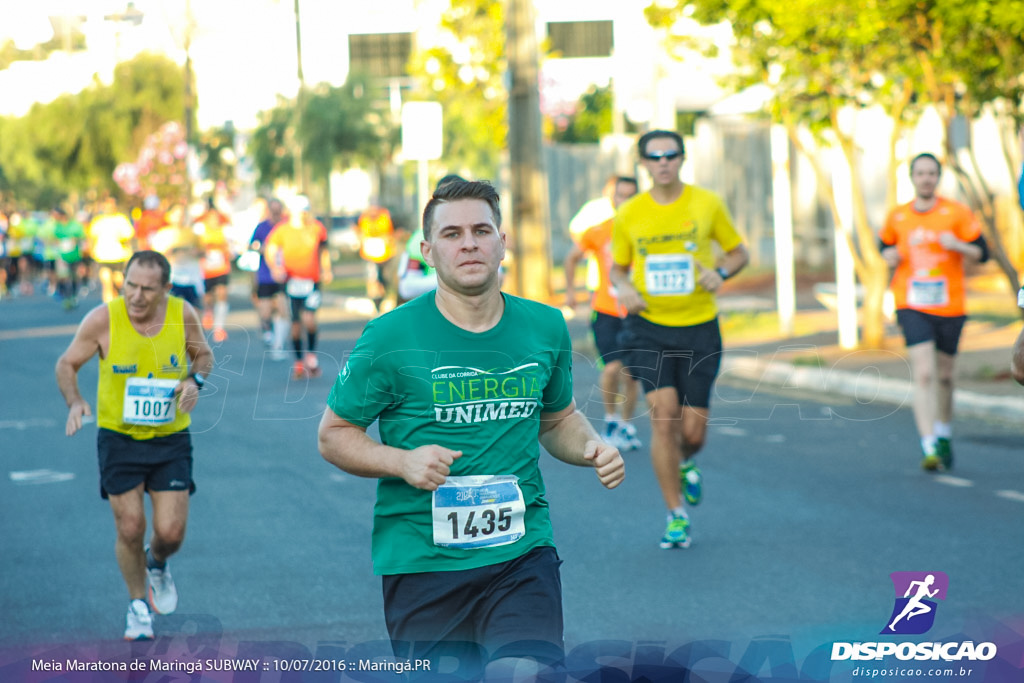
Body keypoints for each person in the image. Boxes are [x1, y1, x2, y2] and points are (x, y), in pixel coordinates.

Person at [317, 179, 625, 680]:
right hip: (423, 561)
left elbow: (558, 418)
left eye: (482, 230)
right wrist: (402, 461)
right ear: (428, 250)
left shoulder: (545, 327)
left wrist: (591, 446)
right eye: (453, 233)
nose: (469, 243)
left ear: (502, 242)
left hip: (521, 553)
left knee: (525, 673)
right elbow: (334, 434)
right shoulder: (390, 336)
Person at [55, 250, 214, 641]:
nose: (137, 296)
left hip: (170, 438)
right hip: (119, 438)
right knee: (130, 525)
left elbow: (204, 356)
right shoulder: (103, 319)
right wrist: (75, 402)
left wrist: (195, 381)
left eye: (147, 289)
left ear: (165, 289)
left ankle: (156, 561)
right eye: (130, 285)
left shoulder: (182, 314)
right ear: (121, 281)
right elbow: (66, 363)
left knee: (171, 532)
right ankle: (138, 605)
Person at [610, 130, 749, 550]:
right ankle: (675, 515)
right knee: (662, 415)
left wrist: (720, 272)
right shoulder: (630, 213)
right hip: (649, 328)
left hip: (699, 327)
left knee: (693, 434)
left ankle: (687, 462)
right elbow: (617, 268)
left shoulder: (706, 204)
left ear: (682, 159)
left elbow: (738, 251)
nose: (663, 162)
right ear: (644, 163)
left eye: (670, 155)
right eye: (654, 157)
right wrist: (624, 289)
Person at [879, 152, 988, 472]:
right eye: (920, 173)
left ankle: (943, 432)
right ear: (911, 178)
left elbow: (982, 252)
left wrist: (957, 244)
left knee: (944, 376)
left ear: (938, 177)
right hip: (911, 304)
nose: (926, 178)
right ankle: (928, 445)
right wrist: (888, 255)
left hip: (950, 305)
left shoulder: (956, 213)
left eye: (931, 173)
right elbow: (883, 245)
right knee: (924, 373)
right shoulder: (898, 217)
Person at [564, 175, 642, 451]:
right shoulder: (599, 231)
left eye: (632, 195)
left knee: (633, 373)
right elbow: (572, 257)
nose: (626, 201)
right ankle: (610, 419)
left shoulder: (645, 230)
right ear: (612, 199)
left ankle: (626, 424)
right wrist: (571, 292)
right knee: (612, 367)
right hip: (606, 308)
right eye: (621, 195)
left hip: (636, 310)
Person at [265, 196, 331, 379]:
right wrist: (275, 267)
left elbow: (323, 250)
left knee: (309, 320)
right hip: (291, 282)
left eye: (305, 212)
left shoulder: (316, 228)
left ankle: (311, 357)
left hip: (312, 281)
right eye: (299, 212)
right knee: (295, 324)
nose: (302, 216)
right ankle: (299, 362)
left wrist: (327, 269)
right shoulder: (282, 230)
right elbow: (270, 249)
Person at [396, 174, 465, 304]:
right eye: (445, 199)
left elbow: (497, 275)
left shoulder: (481, 234)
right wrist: (450, 280)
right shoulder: (420, 238)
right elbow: (406, 287)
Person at [248, 197, 289, 357]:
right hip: (265, 274)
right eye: (273, 210)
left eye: (279, 210)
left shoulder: (287, 226)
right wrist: (261, 248)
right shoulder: (262, 227)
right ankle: (267, 329)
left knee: (282, 308)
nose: (276, 214)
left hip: (282, 275)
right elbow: (252, 245)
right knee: (265, 311)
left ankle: (278, 345)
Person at [149, 204, 205, 309]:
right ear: (170, 215)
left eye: (183, 215)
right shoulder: (163, 234)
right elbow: (157, 257)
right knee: (171, 310)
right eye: (177, 214)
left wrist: (194, 252)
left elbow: (203, 252)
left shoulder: (192, 234)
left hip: (191, 278)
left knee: (193, 309)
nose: (180, 218)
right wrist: (172, 251)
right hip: (172, 277)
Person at [195, 197, 234, 343]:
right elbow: (196, 247)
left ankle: (219, 327)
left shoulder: (225, 230)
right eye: (211, 217)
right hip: (206, 269)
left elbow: (232, 248)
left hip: (222, 268)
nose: (214, 220)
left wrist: (229, 251)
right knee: (208, 297)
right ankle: (208, 312)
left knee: (222, 294)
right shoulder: (200, 230)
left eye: (216, 217)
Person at [88, 198, 136, 303]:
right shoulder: (98, 221)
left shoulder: (121, 220)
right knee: (106, 282)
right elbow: (92, 237)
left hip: (119, 256)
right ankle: (109, 309)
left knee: (118, 281)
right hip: (102, 256)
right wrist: (91, 250)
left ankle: (117, 300)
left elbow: (129, 237)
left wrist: (130, 253)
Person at [356, 203, 397, 313]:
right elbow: (360, 233)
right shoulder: (364, 219)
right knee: (372, 279)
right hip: (369, 255)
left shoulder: (385, 218)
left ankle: (383, 298)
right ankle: (376, 302)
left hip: (384, 255)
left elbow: (391, 234)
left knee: (384, 279)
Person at [44, 206, 87, 309]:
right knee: (63, 276)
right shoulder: (57, 226)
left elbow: (82, 236)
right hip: (61, 256)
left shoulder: (74, 225)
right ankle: (65, 296)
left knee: (74, 277)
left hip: (74, 256)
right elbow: (54, 238)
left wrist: (74, 240)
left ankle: (73, 296)